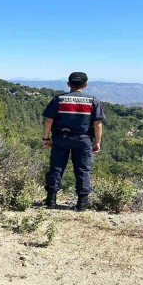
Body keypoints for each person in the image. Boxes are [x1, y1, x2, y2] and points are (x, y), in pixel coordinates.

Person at [41, 72, 105, 211]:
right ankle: (82, 203)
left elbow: (48, 120)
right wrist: (97, 142)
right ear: (85, 85)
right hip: (83, 140)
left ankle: (50, 201)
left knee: (56, 168)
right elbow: (97, 124)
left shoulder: (58, 99)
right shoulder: (93, 101)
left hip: (61, 139)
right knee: (82, 170)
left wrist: (46, 138)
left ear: (68, 84)